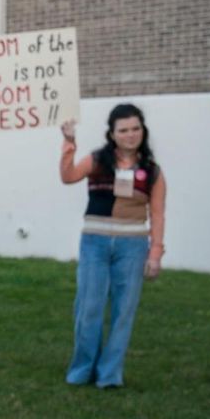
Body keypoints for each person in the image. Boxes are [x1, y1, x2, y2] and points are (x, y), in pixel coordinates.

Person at [58, 105, 167, 388]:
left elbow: (157, 214)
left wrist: (155, 253)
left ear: (143, 131)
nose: (130, 135)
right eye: (124, 130)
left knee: (124, 310)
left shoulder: (152, 171)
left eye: (135, 129)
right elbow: (68, 176)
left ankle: (109, 375)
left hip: (133, 246)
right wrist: (69, 141)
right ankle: (82, 369)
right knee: (89, 307)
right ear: (112, 134)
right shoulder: (97, 160)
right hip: (95, 242)